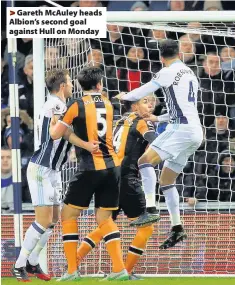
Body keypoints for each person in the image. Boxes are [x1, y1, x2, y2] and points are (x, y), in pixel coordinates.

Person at [11, 69, 99, 282]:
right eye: (69, 82)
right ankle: (19, 264)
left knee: (52, 221)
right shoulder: (58, 105)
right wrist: (85, 144)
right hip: (42, 168)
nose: (71, 86)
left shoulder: (53, 104)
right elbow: (58, 132)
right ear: (62, 86)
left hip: (54, 170)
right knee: (43, 220)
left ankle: (32, 262)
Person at [115, 39, 203, 249]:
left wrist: (124, 96)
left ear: (162, 58)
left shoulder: (166, 71)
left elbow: (141, 92)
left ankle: (151, 210)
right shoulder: (190, 73)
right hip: (195, 132)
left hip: (180, 129)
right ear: (179, 54)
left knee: (144, 161)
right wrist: (158, 119)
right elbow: (184, 108)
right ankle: (177, 228)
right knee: (166, 181)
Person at [50, 66, 126, 281]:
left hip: (89, 168)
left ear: (80, 85)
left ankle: (72, 271)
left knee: (68, 216)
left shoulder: (76, 104)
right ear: (100, 85)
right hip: (112, 168)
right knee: (104, 218)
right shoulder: (109, 104)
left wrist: (56, 121)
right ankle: (119, 269)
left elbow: (56, 135)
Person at [75, 95, 157, 280]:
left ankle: (73, 263)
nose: (151, 104)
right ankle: (125, 271)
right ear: (134, 106)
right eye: (145, 101)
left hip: (108, 177)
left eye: (152, 101)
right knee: (146, 228)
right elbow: (156, 142)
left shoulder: (116, 122)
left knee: (105, 226)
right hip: (127, 180)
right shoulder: (143, 122)